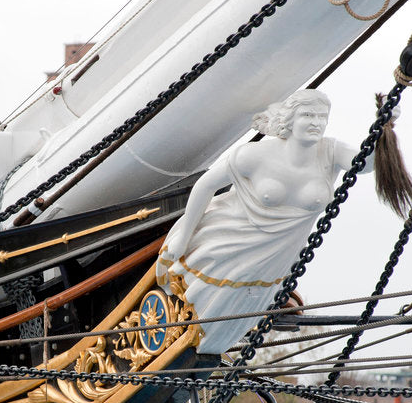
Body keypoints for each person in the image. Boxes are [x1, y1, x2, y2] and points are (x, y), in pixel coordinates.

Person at [157, 89, 369, 354]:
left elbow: (367, 162)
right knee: (200, 316)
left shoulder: (331, 153)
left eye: (321, 116)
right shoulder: (255, 155)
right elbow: (206, 185)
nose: (316, 122)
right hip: (226, 247)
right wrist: (184, 236)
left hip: (272, 260)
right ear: (290, 120)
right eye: (307, 115)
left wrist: (385, 129)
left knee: (229, 324)